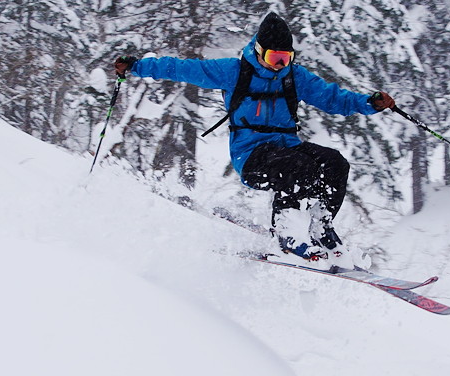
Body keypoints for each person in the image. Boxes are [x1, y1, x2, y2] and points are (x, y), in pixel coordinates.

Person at [115, 12, 395, 262]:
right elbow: (181, 68)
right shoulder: (233, 72)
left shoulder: (293, 77)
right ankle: (287, 233)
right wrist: (137, 66)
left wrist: (369, 103)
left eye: (286, 59)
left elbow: (333, 99)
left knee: (335, 163)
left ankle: (319, 226)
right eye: (275, 58)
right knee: (299, 168)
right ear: (258, 51)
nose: (279, 65)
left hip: (288, 148)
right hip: (252, 157)